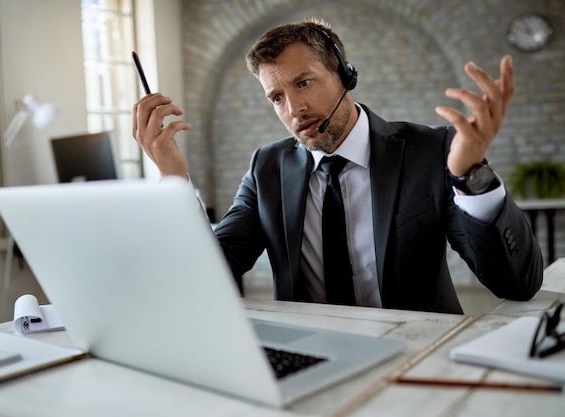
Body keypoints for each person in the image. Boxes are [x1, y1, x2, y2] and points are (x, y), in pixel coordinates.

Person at [132, 18, 543, 314]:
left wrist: (470, 174)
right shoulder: (267, 167)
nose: (294, 109)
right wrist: (174, 179)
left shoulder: (430, 151)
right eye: (276, 97)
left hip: (415, 354)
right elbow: (207, 274)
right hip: (312, 355)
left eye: (304, 83)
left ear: (345, 75)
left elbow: (517, 284)